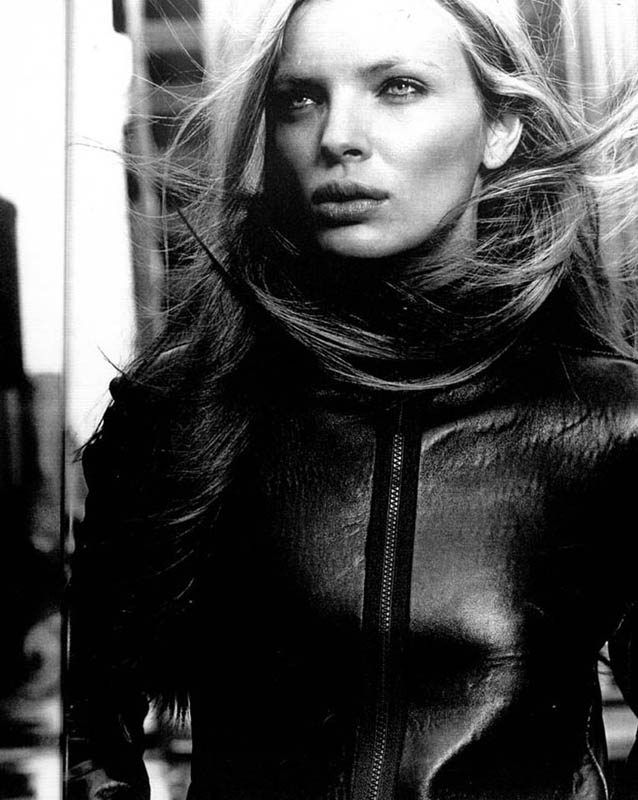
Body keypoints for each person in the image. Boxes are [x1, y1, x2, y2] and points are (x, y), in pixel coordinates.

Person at [66, 0, 638, 798]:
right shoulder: (184, 412)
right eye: (300, 98)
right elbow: (91, 735)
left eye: (398, 87)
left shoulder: (605, 421)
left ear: (501, 130)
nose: (337, 136)